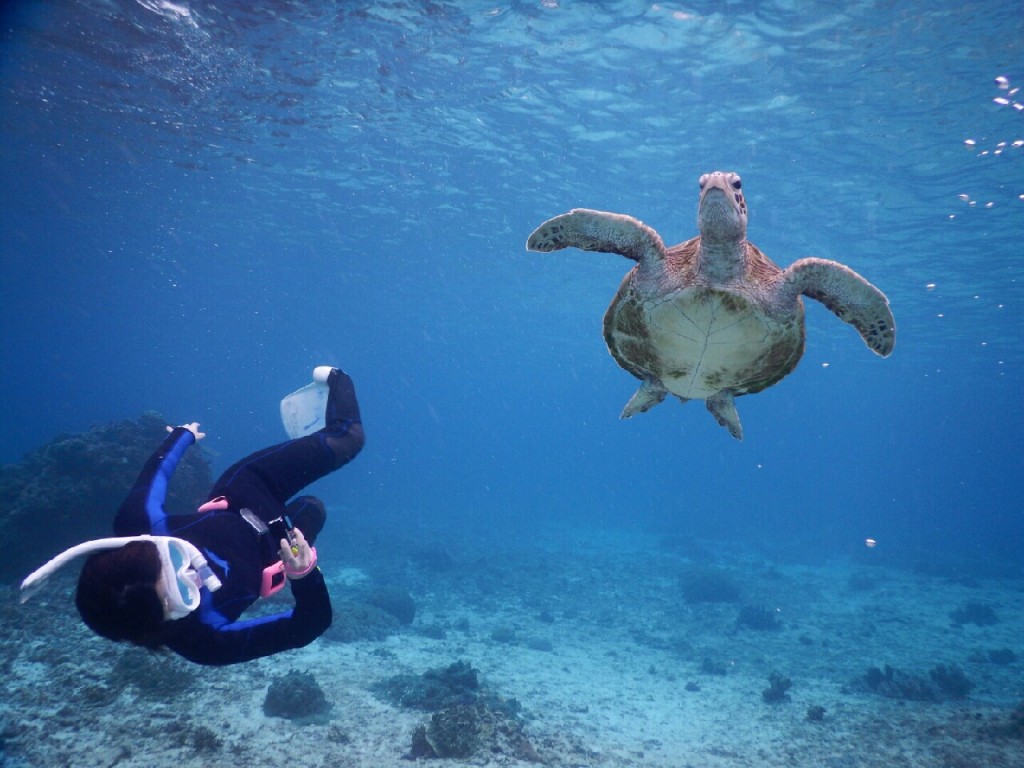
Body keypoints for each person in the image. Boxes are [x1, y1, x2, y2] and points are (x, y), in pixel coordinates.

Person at [23, 366, 363, 666]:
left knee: (349, 439)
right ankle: (307, 456)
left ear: (145, 546)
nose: (195, 575)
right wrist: (303, 574)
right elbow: (309, 625)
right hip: (281, 546)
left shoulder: (138, 526)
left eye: (174, 560)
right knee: (315, 506)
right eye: (182, 595)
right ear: (162, 624)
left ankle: (335, 378)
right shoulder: (205, 641)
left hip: (247, 491)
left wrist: (182, 436)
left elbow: (154, 477)